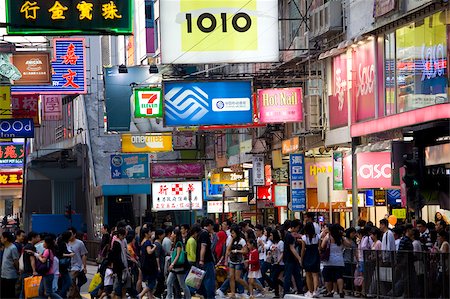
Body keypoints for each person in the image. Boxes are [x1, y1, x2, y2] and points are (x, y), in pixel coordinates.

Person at [321, 224, 351, 298]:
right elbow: (349, 244)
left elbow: (322, 246)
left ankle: (329, 292)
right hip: (339, 260)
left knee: (328, 277)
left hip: (329, 261)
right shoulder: (341, 238)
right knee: (339, 276)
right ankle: (340, 291)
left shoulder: (328, 237)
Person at [166, 229, 191, 299]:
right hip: (174, 268)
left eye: (172, 233)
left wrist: (172, 264)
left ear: (175, 235)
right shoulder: (174, 243)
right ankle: (169, 297)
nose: (171, 235)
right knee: (169, 282)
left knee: (182, 285)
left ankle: (188, 297)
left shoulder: (178, 243)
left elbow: (178, 255)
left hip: (178, 267)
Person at [226, 225, 249, 299]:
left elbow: (245, 251)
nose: (232, 235)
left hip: (239, 261)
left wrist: (237, 251)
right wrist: (232, 240)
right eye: (231, 233)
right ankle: (233, 293)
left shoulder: (242, 240)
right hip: (231, 261)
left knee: (238, 278)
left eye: (233, 233)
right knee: (231, 277)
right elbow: (227, 250)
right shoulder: (231, 239)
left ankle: (248, 288)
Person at [283, 219, 303, 297]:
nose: (298, 229)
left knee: (296, 274)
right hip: (290, 258)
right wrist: (299, 258)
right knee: (289, 275)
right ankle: (286, 291)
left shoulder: (289, 235)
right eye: (297, 228)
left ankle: (300, 290)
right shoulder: (289, 235)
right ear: (293, 227)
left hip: (291, 259)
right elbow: (292, 248)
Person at [197, 218, 216, 299]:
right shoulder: (205, 234)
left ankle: (204, 295)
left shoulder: (200, 233)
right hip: (206, 261)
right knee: (209, 279)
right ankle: (210, 296)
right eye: (212, 226)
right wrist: (202, 259)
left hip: (201, 261)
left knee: (203, 279)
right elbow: (203, 247)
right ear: (209, 225)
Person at [67, 227, 88, 298]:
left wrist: (84, 267)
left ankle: (71, 296)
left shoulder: (80, 243)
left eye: (70, 234)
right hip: (68, 266)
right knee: (70, 282)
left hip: (77, 266)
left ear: (74, 234)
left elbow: (83, 255)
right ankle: (77, 296)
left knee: (71, 279)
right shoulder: (66, 243)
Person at [301, 222, 320, 298]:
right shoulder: (317, 237)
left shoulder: (304, 238)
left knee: (308, 274)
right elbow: (319, 248)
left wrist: (301, 259)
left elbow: (303, 250)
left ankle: (310, 291)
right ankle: (315, 291)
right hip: (315, 255)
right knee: (315, 274)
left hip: (307, 255)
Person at [19, 231, 40, 299]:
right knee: (28, 291)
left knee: (24, 290)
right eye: (37, 237)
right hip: (29, 272)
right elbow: (32, 260)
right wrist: (34, 270)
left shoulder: (26, 246)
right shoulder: (31, 247)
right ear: (33, 238)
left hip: (25, 271)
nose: (39, 239)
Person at [110, 228, 129, 299]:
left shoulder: (118, 242)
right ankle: (114, 294)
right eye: (123, 235)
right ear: (120, 235)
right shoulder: (117, 243)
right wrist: (122, 266)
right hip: (119, 267)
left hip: (119, 266)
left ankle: (114, 294)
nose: (124, 237)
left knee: (120, 282)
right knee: (120, 282)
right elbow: (117, 257)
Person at [138, 227, 157, 299]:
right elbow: (149, 252)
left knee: (149, 282)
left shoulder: (142, 241)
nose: (151, 233)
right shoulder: (147, 242)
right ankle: (141, 294)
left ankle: (150, 297)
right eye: (149, 232)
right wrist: (154, 247)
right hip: (150, 265)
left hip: (144, 264)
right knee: (152, 282)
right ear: (146, 234)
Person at [1, 231, 20, 299]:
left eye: (2, 238)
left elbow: (16, 261)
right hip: (3, 275)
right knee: (3, 294)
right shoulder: (5, 247)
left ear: (5, 239)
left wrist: (17, 270)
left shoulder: (13, 248)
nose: (1, 239)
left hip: (10, 276)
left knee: (10, 294)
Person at [57, 231, 75, 298]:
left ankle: (63, 296)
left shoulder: (66, 243)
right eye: (71, 235)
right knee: (68, 282)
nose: (72, 237)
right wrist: (70, 255)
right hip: (62, 266)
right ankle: (60, 295)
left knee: (65, 282)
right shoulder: (62, 244)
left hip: (65, 266)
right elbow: (60, 254)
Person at [269, 229, 284, 298]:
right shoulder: (273, 244)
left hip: (280, 263)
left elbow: (282, 252)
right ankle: (277, 293)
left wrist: (278, 261)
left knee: (275, 278)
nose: (270, 236)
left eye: (271, 235)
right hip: (274, 262)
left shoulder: (280, 243)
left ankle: (284, 288)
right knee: (275, 278)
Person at [153, 229, 166, 299]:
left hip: (161, 264)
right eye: (163, 234)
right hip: (160, 265)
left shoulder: (158, 243)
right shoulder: (157, 244)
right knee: (160, 280)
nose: (164, 235)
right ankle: (157, 294)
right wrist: (158, 267)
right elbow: (156, 256)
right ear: (159, 235)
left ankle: (158, 293)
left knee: (161, 280)